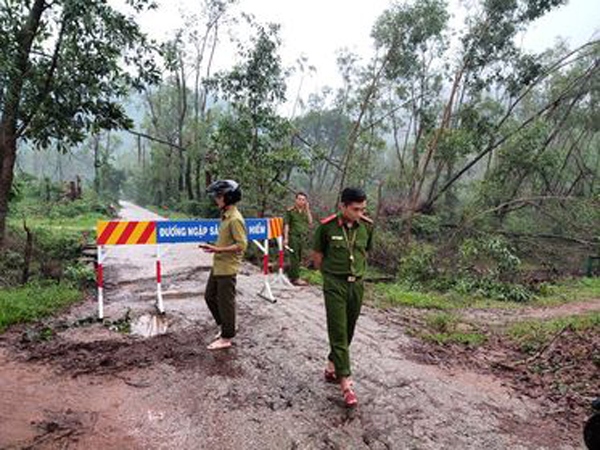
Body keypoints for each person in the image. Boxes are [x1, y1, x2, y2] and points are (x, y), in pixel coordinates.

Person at [312, 187, 374, 407]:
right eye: (355, 209)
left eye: (363, 209)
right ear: (343, 206)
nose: (360, 213)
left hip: (356, 285)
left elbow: (365, 253)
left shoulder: (367, 227)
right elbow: (318, 257)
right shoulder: (326, 227)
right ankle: (346, 384)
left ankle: (331, 367)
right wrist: (329, 278)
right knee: (338, 331)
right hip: (334, 284)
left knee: (349, 330)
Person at [200, 179, 248, 350]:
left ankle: (227, 337)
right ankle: (226, 326)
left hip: (227, 267)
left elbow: (241, 245)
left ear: (228, 197)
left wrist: (216, 249)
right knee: (209, 296)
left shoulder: (235, 219)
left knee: (225, 302)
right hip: (219, 265)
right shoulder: (226, 216)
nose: (216, 199)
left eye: (219, 196)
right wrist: (214, 246)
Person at [283, 191, 313, 286]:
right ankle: (295, 278)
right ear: (296, 200)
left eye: (303, 200)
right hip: (293, 237)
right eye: (299, 199)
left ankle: (293, 275)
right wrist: (286, 238)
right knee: (294, 257)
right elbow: (286, 225)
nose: (301, 201)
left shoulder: (305, 212)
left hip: (301, 237)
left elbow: (310, 222)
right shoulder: (290, 211)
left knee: (299, 257)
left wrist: (308, 209)